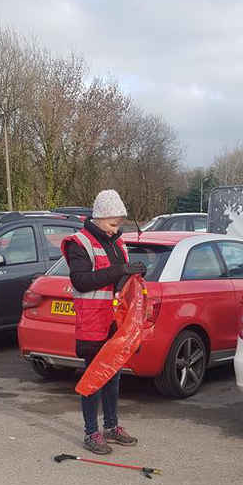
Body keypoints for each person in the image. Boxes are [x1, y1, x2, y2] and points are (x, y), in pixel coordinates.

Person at [62, 189, 146, 454]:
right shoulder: (79, 243)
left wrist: (133, 273)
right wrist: (119, 270)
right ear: (98, 217)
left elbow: (120, 284)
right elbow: (81, 281)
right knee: (94, 378)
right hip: (92, 321)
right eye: (112, 223)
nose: (115, 229)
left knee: (113, 377)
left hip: (115, 321)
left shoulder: (118, 243)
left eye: (119, 223)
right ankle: (91, 432)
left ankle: (111, 427)